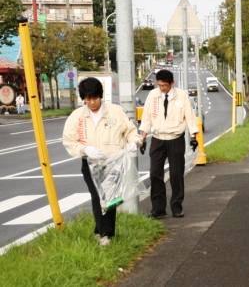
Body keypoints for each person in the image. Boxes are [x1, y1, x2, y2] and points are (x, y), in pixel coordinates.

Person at [62, 77, 142, 246]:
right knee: (97, 196)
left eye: (94, 98)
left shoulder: (115, 111)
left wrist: (134, 142)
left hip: (113, 162)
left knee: (111, 198)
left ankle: (104, 232)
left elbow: (130, 131)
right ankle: (104, 234)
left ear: (101, 96)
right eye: (87, 99)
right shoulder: (77, 116)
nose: (91, 102)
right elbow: (69, 140)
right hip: (90, 163)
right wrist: (84, 150)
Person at [139, 69, 198, 219]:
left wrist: (193, 136)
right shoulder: (153, 96)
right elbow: (146, 118)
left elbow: (190, 117)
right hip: (158, 139)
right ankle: (158, 209)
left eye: (165, 85)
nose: (162, 88)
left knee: (176, 174)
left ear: (172, 83)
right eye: (159, 85)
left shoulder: (182, 96)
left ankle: (177, 207)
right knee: (155, 174)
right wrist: (143, 138)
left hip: (175, 139)